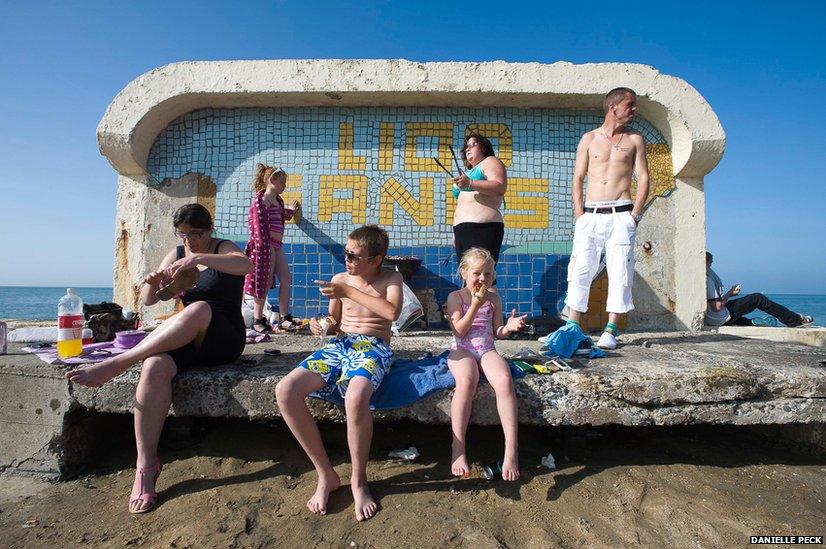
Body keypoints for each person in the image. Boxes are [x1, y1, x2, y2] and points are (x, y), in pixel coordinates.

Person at [65, 203, 251, 513]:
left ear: (209, 231)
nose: (189, 240)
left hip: (223, 336)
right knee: (153, 366)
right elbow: (150, 301)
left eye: (196, 234)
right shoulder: (177, 254)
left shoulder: (222, 248)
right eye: (183, 234)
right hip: (190, 338)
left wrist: (200, 258)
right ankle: (146, 465)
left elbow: (244, 265)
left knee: (198, 308)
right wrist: (152, 282)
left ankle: (120, 361)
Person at [275, 225, 403, 521]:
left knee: (356, 397)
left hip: (373, 347)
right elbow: (334, 319)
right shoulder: (340, 279)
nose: (347, 260)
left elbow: (391, 313)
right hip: (340, 345)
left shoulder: (390, 278)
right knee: (285, 391)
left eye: (354, 256)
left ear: (375, 259)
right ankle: (326, 474)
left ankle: (359, 481)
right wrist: (322, 324)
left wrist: (350, 290)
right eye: (346, 253)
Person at [565, 87, 650, 350]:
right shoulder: (589, 139)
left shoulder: (635, 139)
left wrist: (635, 215)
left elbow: (644, 176)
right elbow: (578, 178)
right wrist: (579, 214)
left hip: (621, 213)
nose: (634, 110)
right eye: (630, 105)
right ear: (614, 107)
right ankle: (572, 326)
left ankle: (611, 329)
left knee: (619, 271)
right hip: (590, 214)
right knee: (580, 268)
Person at [445, 247, 526, 480]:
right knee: (467, 380)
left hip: (487, 348)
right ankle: (458, 448)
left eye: (488, 274)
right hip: (462, 349)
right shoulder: (456, 298)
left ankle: (511, 450)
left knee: (503, 379)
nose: (482, 279)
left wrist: (508, 328)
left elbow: (496, 331)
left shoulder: (493, 297)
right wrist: (475, 305)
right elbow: (459, 331)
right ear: (463, 272)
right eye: (477, 273)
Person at [244, 164, 300, 332]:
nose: (285, 185)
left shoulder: (277, 200)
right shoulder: (260, 201)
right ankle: (257, 318)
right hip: (265, 246)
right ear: (271, 180)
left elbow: (281, 215)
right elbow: (257, 226)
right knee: (264, 281)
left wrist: (291, 211)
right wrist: (263, 248)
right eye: (282, 182)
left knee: (286, 278)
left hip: (277, 245)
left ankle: (284, 317)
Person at [705, 252, 813, 327]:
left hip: (712, 318)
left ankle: (750, 322)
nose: (712, 265)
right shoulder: (708, 279)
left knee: (736, 307)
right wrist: (729, 293)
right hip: (719, 318)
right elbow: (717, 307)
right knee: (758, 298)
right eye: (711, 262)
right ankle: (795, 320)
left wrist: (731, 295)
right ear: (707, 262)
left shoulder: (701, 276)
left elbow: (713, 303)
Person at [452, 133, 508, 264]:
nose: (468, 149)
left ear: (483, 147)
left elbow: (499, 187)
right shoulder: (468, 173)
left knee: (483, 276)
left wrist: (470, 183)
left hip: (482, 227)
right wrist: (455, 233)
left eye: (472, 145)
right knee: (469, 277)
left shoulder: (490, 161)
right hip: (462, 230)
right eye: (466, 147)